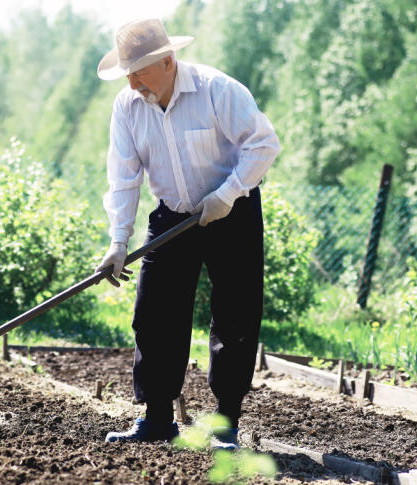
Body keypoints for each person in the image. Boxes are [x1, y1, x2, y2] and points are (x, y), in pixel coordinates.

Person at [95, 18, 280, 449]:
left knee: (235, 315)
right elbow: (123, 178)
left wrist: (228, 193)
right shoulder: (128, 107)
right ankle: (158, 419)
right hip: (172, 215)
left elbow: (263, 144)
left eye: (139, 71)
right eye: (128, 72)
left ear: (167, 61)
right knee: (155, 314)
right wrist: (118, 242)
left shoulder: (218, 90)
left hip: (231, 211)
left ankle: (226, 424)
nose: (133, 81)